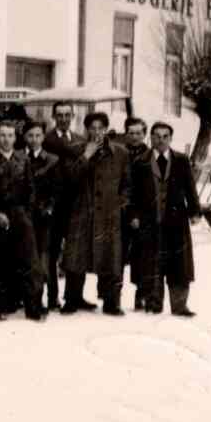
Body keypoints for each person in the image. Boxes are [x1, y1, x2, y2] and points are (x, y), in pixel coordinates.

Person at [61, 112, 130, 316]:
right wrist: (86, 156)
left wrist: (120, 205)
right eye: (92, 127)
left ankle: (111, 302)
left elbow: (127, 184)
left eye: (101, 127)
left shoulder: (120, 153)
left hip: (110, 214)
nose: (96, 132)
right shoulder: (75, 150)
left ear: (107, 129)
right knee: (76, 257)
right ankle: (73, 299)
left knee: (111, 258)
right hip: (82, 211)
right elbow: (69, 180)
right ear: (86, 129)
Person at [131, 122, 201, 317]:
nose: (160, 140)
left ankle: (180, 305)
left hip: (176, 221)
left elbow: (190, 188)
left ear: (170, 139)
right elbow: (133, 193)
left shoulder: (181, 160)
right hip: (149, 221)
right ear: (150, 138)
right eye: (156, 136)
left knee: (179, 262)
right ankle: (154, 303)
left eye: (165, 136)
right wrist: (134, 215)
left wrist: (195, 211)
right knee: (152, 262)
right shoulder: (140, 162)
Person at [0, 122, 43, 320]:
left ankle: (32, 306)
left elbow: (31, 189)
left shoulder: (23, 159)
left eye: (9, 135)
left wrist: (27, 213)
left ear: (15, 138)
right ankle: (1, 306)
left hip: (20, 214)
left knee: (29, 262)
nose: (6, 139)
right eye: (2, 135)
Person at [43, 100, 85, 312]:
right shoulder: (47, 140)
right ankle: (52, 298)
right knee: (51, 253)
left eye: (67, 115)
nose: (63, 119)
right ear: (54, 117)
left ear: (73, 116)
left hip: (75, 206)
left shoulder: (80, 139)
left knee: (76, 252)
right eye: (59, 115)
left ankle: (75, 296)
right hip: (54, 206)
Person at [25, 121, 61, 312]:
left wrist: (49, 207)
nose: (34, 139)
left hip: (46, 217)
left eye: (38, 135)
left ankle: (52, 298)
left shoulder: (52, 160)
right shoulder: (20, 158)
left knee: (47, 258)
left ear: (43, 137)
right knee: (30, 258)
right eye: (30, 135)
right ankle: (32, 298)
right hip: (27, 215)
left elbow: (57, 189)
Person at [122, 117, 151, 309]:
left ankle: (141, 295)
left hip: (141, 213)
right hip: (120, 210)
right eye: (131, 133)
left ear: (144, 134)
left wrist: (138, 215)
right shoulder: (119, 153)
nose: (134, 137)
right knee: (118, 254)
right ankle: (112, 296)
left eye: (138, 133)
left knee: (142, 256)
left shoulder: (150, 156)